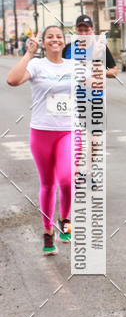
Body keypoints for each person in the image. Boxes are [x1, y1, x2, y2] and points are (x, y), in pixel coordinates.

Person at [6, 27, 75, 254]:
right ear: (44, 42)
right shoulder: (36, 66)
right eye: (50, 37)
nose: (55, 40)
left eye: (59, 37)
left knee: (66, 180)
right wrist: (28, 54)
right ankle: (47, 232)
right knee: (48, 184)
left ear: (64, 42)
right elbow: (12, 80)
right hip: (41, 132)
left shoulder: (73, 66)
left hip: (67, 131)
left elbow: (96, 86)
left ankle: (64, 218)